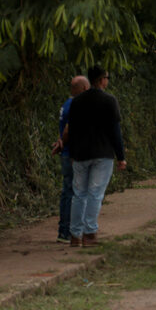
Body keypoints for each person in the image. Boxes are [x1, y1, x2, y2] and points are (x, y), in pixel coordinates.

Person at [65, 66, 127, 247]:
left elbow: (72, 130)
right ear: (101, 80)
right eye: (107, 77)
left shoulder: (77, 102)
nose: (107, 81)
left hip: (80, 155)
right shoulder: (109, 101)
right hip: (102, 154)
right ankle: (90, 233)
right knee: (95, 194)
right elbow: (115, 132)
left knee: (79, 195)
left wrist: (72, 153)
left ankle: (75, 235)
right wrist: (121, 156)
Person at [51, 75, 90, 243]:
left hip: (66, 153)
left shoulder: (66, 104)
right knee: (74, 194)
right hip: (72, 155)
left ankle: (64, 231)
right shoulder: (76, 105)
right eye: (87, 89)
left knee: (67, 192)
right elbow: (68, 130)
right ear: (81, 89)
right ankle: (68, 231)